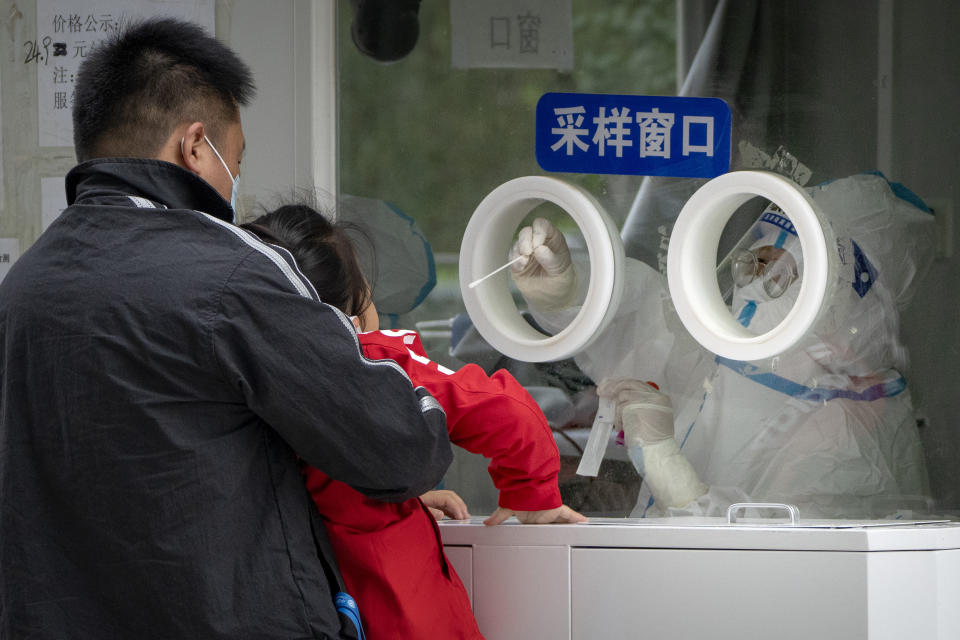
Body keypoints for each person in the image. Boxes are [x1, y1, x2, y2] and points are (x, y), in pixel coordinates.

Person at [0, 18, 453, 640]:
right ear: (194, 146)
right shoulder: (233, 273)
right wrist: (416, 382)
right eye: (233, 160)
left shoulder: (23, 287)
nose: (234, 183)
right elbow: (398, 449)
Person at [242, 204, 587, 640]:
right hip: (396, 608)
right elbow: (507, 412)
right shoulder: (377, 367)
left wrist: (403, 496)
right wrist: (532, 494)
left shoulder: (234, 376)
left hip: (280, 601)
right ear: (357, 304)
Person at [509, 173, 936, 519]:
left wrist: (674, 478)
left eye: (782, 273)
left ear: (849, 305)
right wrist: (568, 295)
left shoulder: (854, 424)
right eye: (753, 258)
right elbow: (638, 321)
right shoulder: (726, 356)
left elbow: (789, 569)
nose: (754, 281)